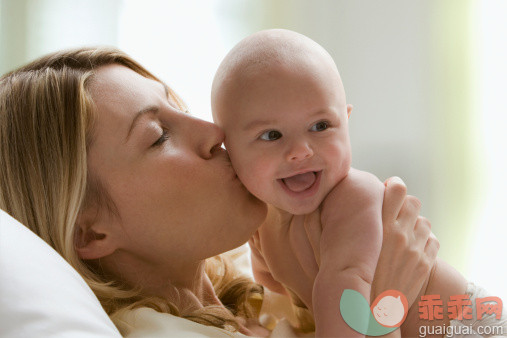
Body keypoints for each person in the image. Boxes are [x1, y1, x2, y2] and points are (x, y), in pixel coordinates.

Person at [0, 47, 437, 337]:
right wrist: (385, 298)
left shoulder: (257, 287)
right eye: (158, 137)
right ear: (90, 233)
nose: (214, 132)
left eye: (183, 109)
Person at [211, 29, 505, 337]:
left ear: (346, 121)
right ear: (228, 148)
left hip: (467, 324)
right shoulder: (258, 221)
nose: (301, 151)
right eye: (272, 135)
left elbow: (345, 292)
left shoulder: (353, 197)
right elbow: (275, 288)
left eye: (320, 126)